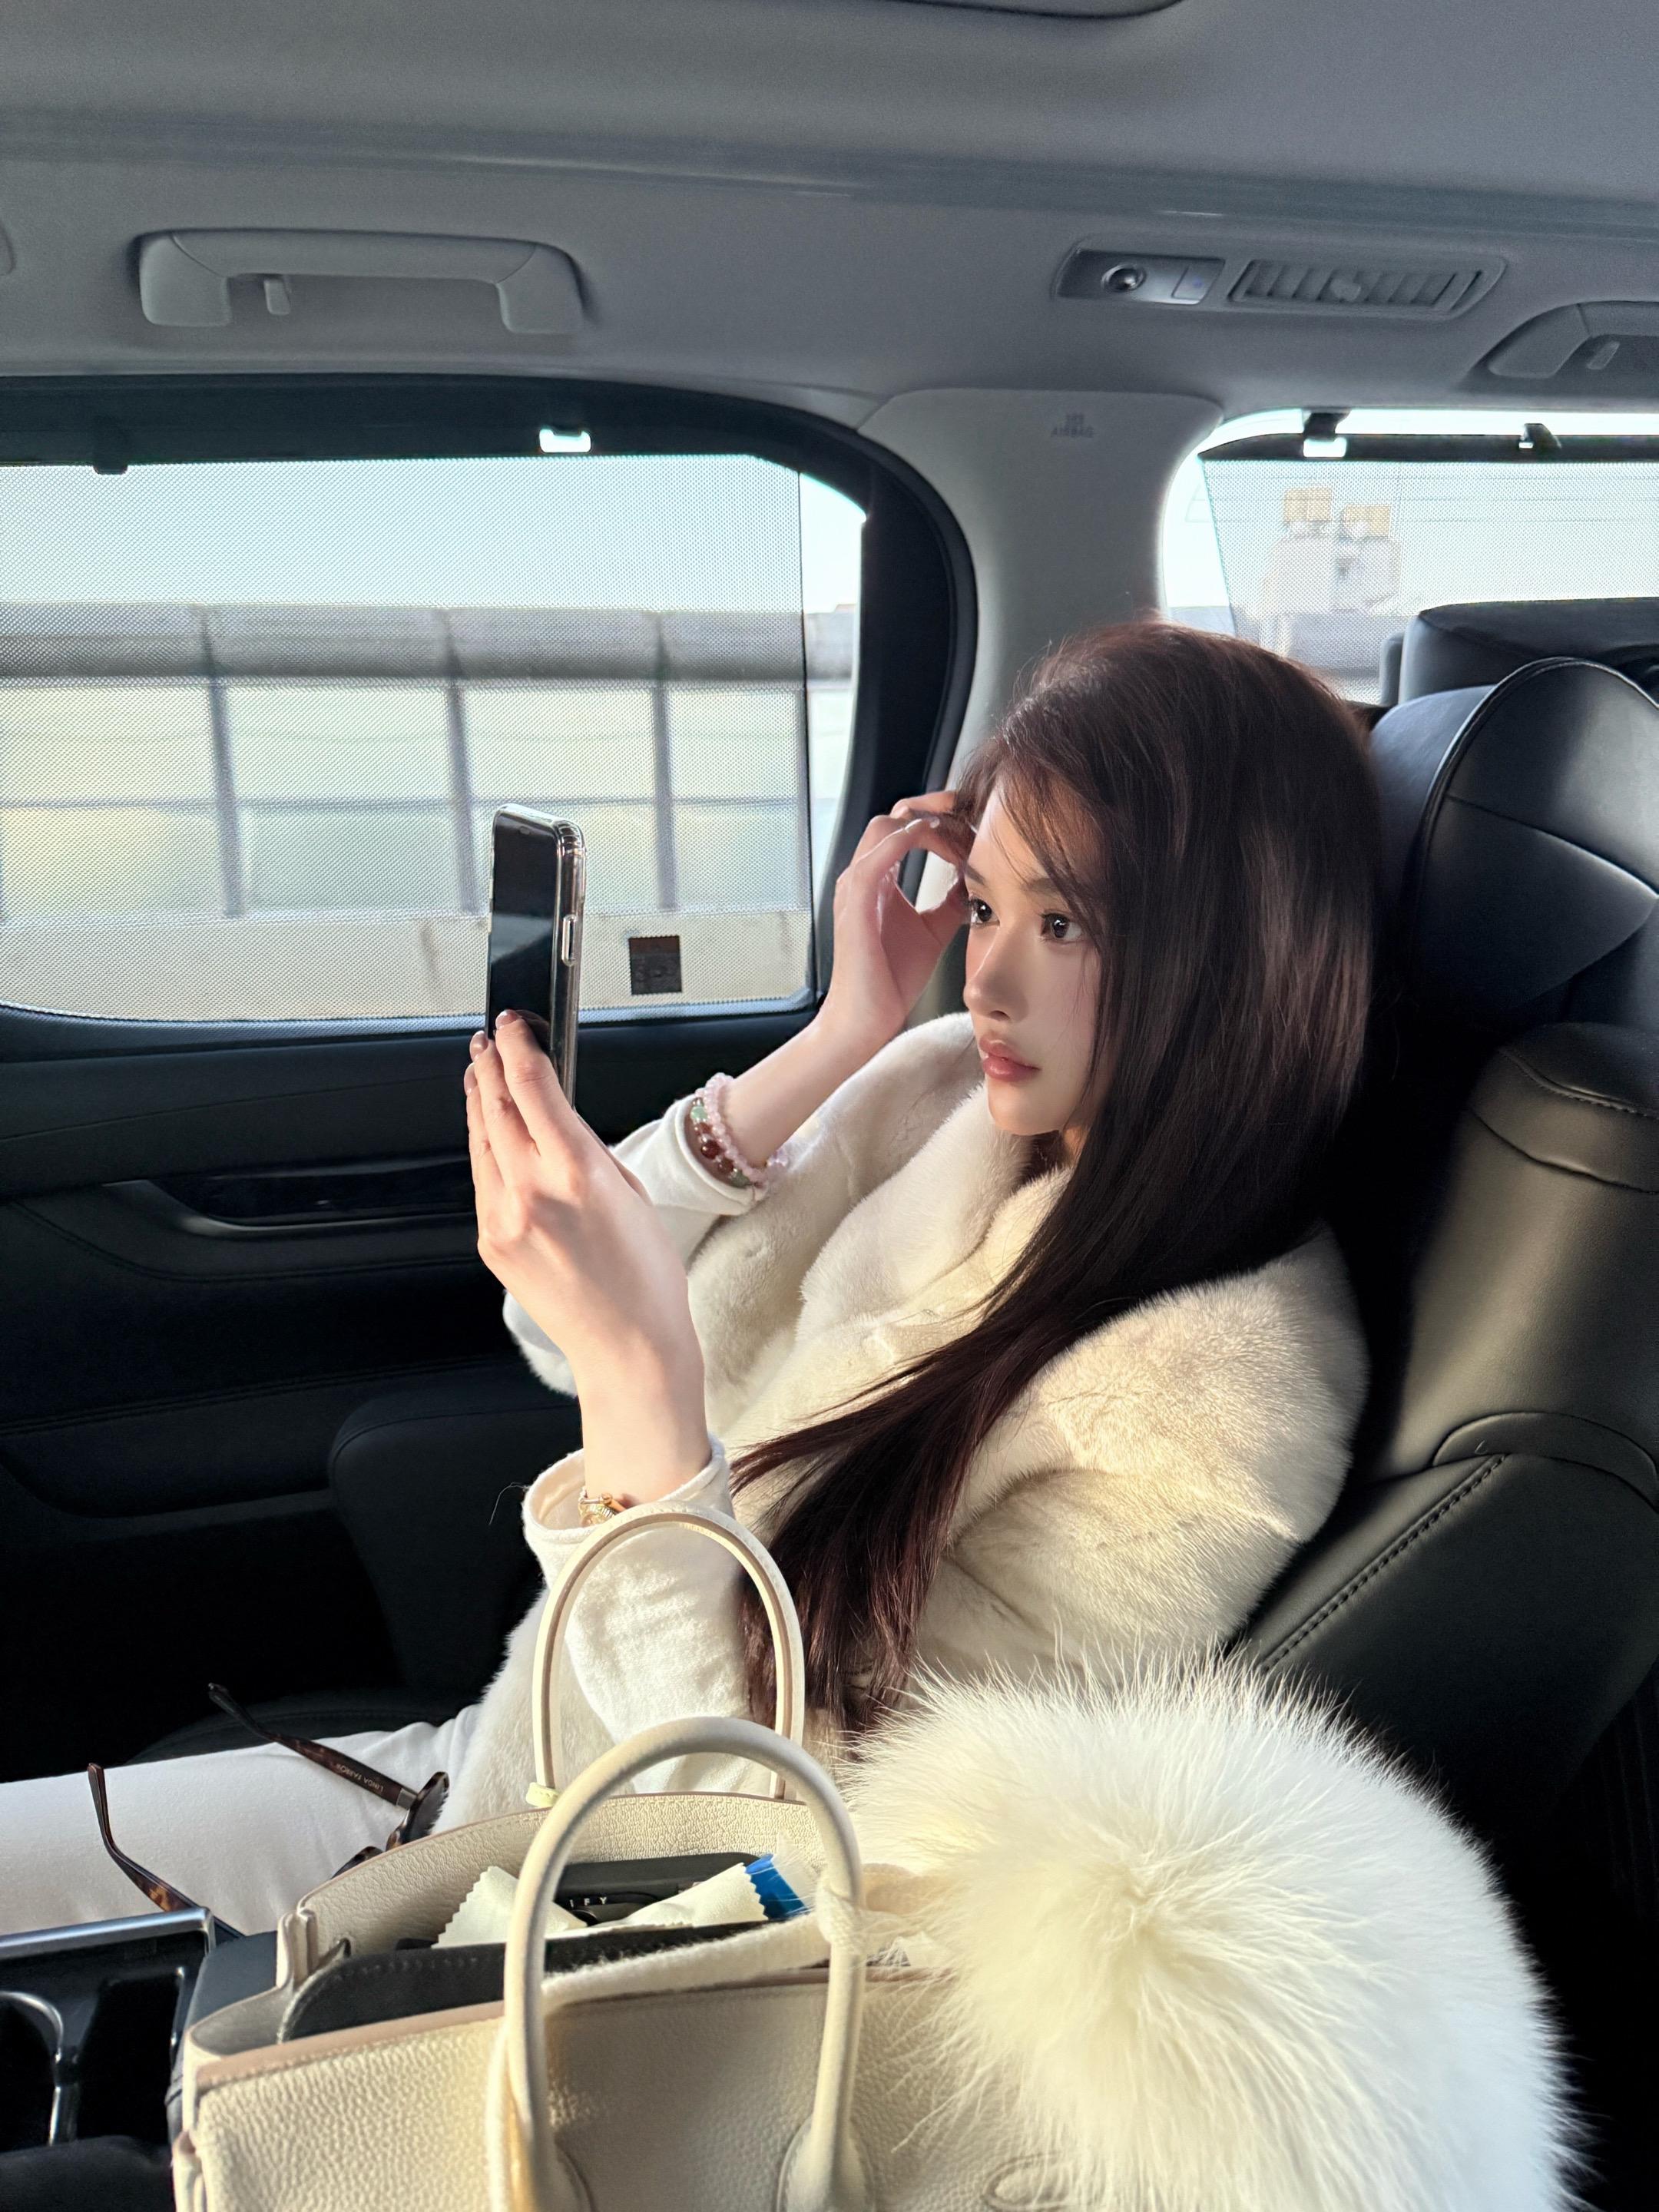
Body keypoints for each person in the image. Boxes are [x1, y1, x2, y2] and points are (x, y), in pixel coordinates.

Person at [0, 620, 1381, 1935]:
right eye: (984, 902)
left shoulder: (1221, 1398)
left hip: (605, 1919)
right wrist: (843, 1032)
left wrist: (642, 1389)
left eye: (1064, 923)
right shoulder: (942, 1091)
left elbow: (792, 1856)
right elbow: (553, 1325)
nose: (987, 976)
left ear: (1229, 953)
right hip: (497, 1772)